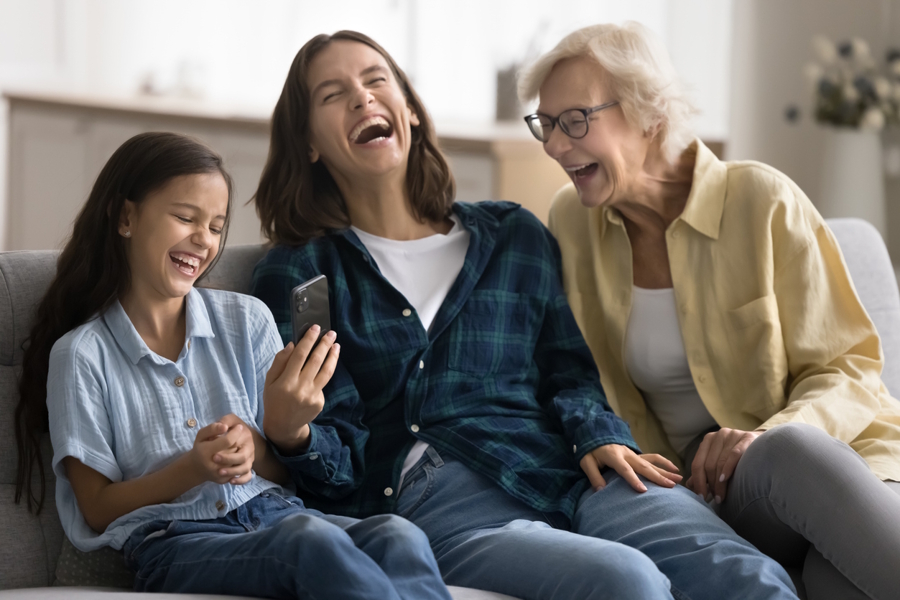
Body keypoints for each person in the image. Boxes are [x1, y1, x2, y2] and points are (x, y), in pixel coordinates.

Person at [251, 30, 798, 600]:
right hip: (436, 494)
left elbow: (569, 372)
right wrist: (294, 435)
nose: (362, 98)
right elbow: (335, 459)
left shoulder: (512, 233)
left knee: (747, 576)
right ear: (309, 142)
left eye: (374, 80)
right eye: (332, 95)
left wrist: (599, 435)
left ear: (409, 110)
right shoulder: (300, 272)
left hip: (569, 467)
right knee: (625, 582)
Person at [518, 21, 900, 600]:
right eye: (546, 124)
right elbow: (562, 368)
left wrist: (764, 436)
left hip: (846, 467)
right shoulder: (571, 221)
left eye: (574, 121)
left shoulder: (762, 201)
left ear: (650, 113)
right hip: (716, 497)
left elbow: (849, 367)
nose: (552, 145)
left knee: (830, 578)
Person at [13, 132, 452, 600]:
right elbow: (97, 507)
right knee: (308, 542)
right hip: (177, 544)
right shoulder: (81, 354)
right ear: (126, 217)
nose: (203, 240)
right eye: (185, 217)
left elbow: (281, 473)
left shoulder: (248, 319)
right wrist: (194, 468)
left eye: (217, 227)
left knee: (398, 536)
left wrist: (255, 447)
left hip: (275, 513)